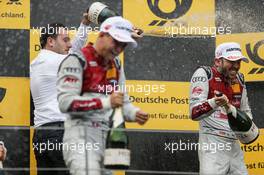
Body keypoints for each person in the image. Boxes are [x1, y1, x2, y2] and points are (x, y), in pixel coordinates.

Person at [56, 16, 148, 175]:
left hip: (106, 138)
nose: (119, 49)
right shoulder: (77, 59)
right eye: (116, 42)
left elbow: (122, 102)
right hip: (81, 137)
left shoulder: (115, 65)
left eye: (123, 45)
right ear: (101, 35)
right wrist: (106, 103)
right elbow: (66, 103)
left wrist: (134, 113)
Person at [30, 13, 90, 175]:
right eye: (65, 40)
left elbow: (74, 49)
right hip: (61, 133)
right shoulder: (56, 62)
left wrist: (84, 25)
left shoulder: (40, 62)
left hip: (42, 135)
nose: (69, 44)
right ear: (50, 41)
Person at [189, 42, 253, 174]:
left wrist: (247, 128)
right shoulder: (204, 73)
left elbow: (246, 111)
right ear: (217, 61)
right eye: (231, 61)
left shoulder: (240, 78)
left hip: (234, 145)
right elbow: (193, 113)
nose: (236, 66)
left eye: (239, 61)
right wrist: (215, 102)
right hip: (212, 144)